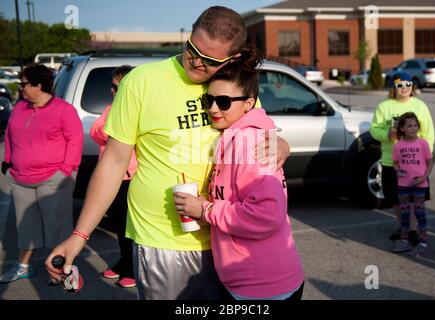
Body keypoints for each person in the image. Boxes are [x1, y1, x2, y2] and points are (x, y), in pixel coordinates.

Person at [46, 6, 290, 300]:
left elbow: (259, 134)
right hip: (164, 240)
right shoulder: (141, 82)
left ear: (232, 59)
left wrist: (282, 144)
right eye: (192, 49)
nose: (197, 62)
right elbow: (113, 162)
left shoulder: (234, 86)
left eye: (210, 60)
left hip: (229, 240)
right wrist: (79, 236)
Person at [173, 47, 305, 300]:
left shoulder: (249, 142)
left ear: (248, 104)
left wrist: (206, 210)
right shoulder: (234, 137)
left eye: (223, 102)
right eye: (208, 100)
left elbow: (267, 215)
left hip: (265, 285)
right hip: (251, 281)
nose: (213, 108)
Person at [0, 64, 83, 284]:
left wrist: (66, 169)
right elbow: (10, 135)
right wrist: (7, 162)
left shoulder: (64, 110)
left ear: (38, 85)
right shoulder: (20, 107)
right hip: (21, 178)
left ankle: (63, 271)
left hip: (53, 179)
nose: (20, 88)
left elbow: (75, 141)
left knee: (58, 226)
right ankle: (24, 267)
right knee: (25, 226)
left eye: (24, 83)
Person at [370, 72, 435, 246]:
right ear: (393, 87)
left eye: (408, 84)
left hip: (416, 165)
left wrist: (426, 157)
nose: (404, 88)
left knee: (415, 200)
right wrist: (386, 134)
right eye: (400, 85)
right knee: (397, 200)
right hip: (392, 162)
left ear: (412, 86)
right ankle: (403, 228)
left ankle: (413, 230)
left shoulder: (420, 106)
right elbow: (374, 130)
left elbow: (429, 134)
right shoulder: (384, 107)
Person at [89, 65, 137, 288]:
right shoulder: (112, 108)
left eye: (117, 87)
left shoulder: (137, 108)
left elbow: (111, 134)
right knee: (118, 224)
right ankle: (124, 261)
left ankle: (132, 268)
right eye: (112, 87)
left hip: (132, 178)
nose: (112, 91)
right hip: (113, 177)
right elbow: (97, 131)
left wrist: (111, 132)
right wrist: (112, 131)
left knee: (130, 227)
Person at [392, 112, 433, 254]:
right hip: (403, 185)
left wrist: (423, 178)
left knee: (420, 213)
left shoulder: (423, 143)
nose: (413, 128)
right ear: (402, 128)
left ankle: (422, 242)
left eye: (415, 125)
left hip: (420, 185)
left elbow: (430, 163)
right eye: (409, 126)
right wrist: (398, 170)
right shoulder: (398, 146)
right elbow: (395, 163)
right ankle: (404, 241)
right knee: (404, 214)